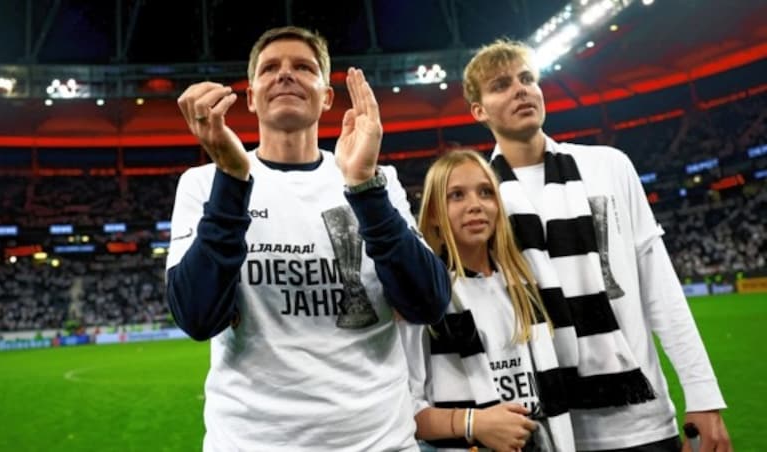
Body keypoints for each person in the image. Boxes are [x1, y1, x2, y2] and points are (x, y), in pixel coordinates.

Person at [165, 26, 450, 451]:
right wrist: (231, 176)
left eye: (303, 67)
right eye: (270, 69)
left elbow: (428, 302)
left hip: (378, 441)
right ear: (250, 96)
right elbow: (197, 317)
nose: (285, 75)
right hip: (250, 442)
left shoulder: (375, 179)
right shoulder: (205, 183)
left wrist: (364, 187)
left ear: (327, 96)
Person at [460, 37, 731, 452]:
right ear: (478, 110)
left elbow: (658, 284)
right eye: (501, 85)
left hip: (641, 420)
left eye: (528, 79)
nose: (521, 90)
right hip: (539, 428)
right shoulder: (478, 197)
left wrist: (703, 395)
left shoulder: (608, 166)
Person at [400, 150, 575, 452]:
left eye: (485, 192)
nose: (475, 205)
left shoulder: (524, 282)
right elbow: (403, 412)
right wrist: (474, 423)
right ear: (432, 214)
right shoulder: (424, 298)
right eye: (456, 195)